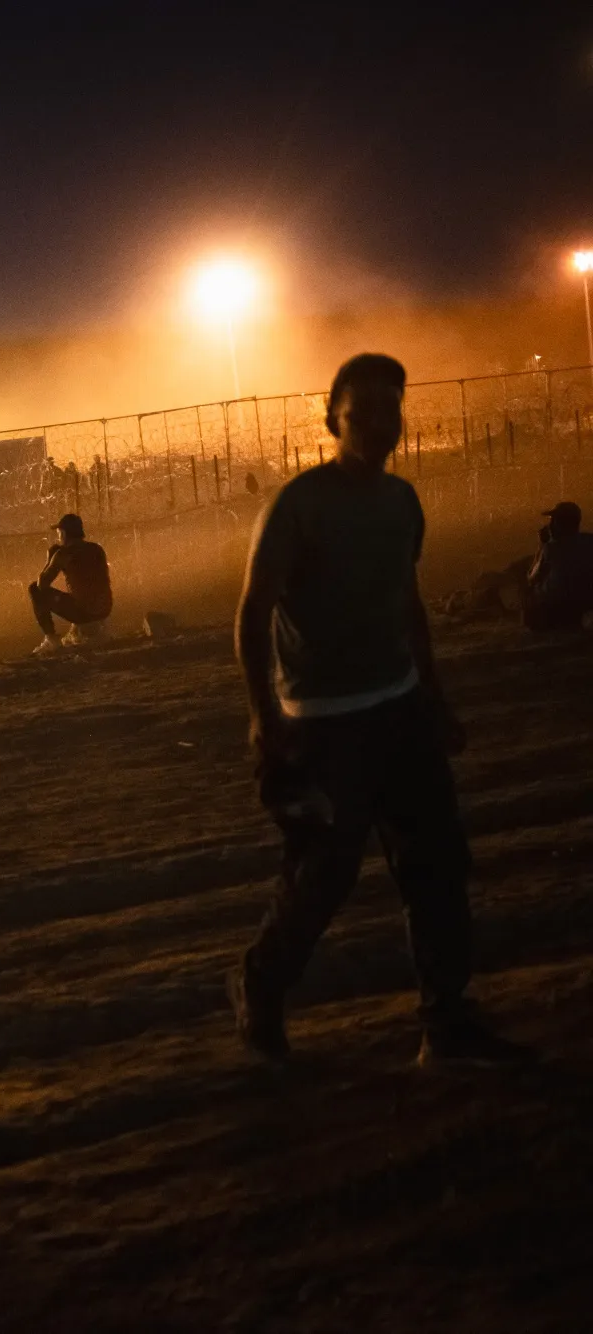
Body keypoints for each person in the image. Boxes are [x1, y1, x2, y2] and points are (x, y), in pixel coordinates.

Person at [229, 352, 528, 1069]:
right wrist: (264, 715)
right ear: (332, 420)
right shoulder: (297, 506)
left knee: (437, 866)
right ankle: (261, 985)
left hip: (400, 711)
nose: (377, 424)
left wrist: (434, 697)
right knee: (321, 876)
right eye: (360, 413)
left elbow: (408, 602)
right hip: (323, 725)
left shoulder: (401, 503)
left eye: (389, 409)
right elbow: (252, 612)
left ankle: (445, 1020)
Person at [28, 513, 112, 654]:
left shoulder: (64, 554)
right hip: (104, 609)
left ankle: (51, 639)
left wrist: (50, 560)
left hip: (85, 612)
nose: (58, 536)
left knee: (34, 589)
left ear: (65, 533)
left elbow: (42, 584)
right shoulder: (96, 548)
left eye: (59, 532)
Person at [521, 501, 593, 632]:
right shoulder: (589, 541)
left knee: (528, 591)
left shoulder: (551, 548)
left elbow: (532, 577)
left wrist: (542, 545)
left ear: (559, 524)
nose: (549, 525)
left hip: (556, 609)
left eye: (553, 521)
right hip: (584, 604)